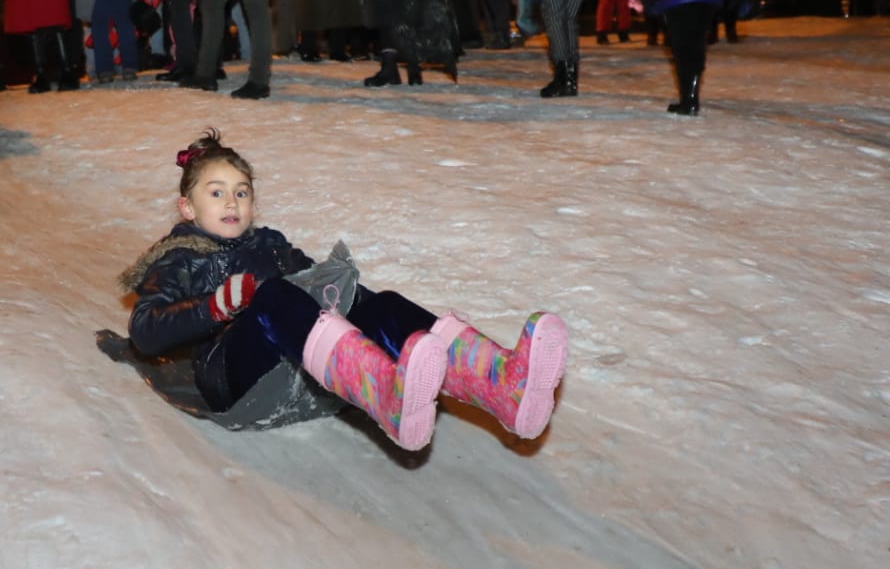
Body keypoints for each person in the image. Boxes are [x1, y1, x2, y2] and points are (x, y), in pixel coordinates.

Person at [122, 132, 570, 451]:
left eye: (241, 193)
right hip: (232, 378)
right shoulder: (180, 256)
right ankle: (383, 393)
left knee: (377, 302)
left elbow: (317, 289)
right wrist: (214, 307)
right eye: (216, 193)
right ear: (187, 206)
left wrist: (338, 286)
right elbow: (145, 330)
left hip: (303, 372)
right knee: (274, 296)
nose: (231, 202)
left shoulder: (271, 244)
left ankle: (500, 383)